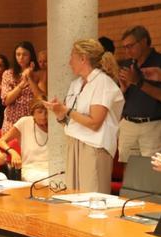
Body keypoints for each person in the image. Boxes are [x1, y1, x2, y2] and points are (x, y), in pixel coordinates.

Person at [44, 39, 124, 193]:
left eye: (72, 57)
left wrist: (67, 111)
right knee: (74, 197)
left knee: (93, 197)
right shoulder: (76, 84)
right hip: (74, 142)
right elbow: (71, 119)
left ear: (83, 58)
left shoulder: (103, 83)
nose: (69, 62)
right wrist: (60, 113)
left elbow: (95, 122)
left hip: (94, 147)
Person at [117, 26, 161, 162]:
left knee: (152, 172)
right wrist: (123, 89)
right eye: (125, 47)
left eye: (130, 46)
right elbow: (118, 99)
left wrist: (138, 82)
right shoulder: (127, 64)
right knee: (129, 170)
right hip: (128, 123)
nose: (127, 51)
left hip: (153, 125)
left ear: (143, 42)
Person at [0, 98, 49, 182]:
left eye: (46, 112)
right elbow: (1, 141)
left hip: (53, 168)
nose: (43, 116)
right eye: (39, 112)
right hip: (31, 169)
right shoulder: (24, 122)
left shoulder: (55, 125)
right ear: (33, 112)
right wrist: (12, 151)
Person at [1, 41, 46, 132]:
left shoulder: (40, 73)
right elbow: (6, 100)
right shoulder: (8, 73)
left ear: (31, 56)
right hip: (12, 120)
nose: (21, 58)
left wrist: (29, 78)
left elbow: (41, 98)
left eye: (25, 55)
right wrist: (21, 85)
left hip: (32, 118)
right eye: (18, 54)